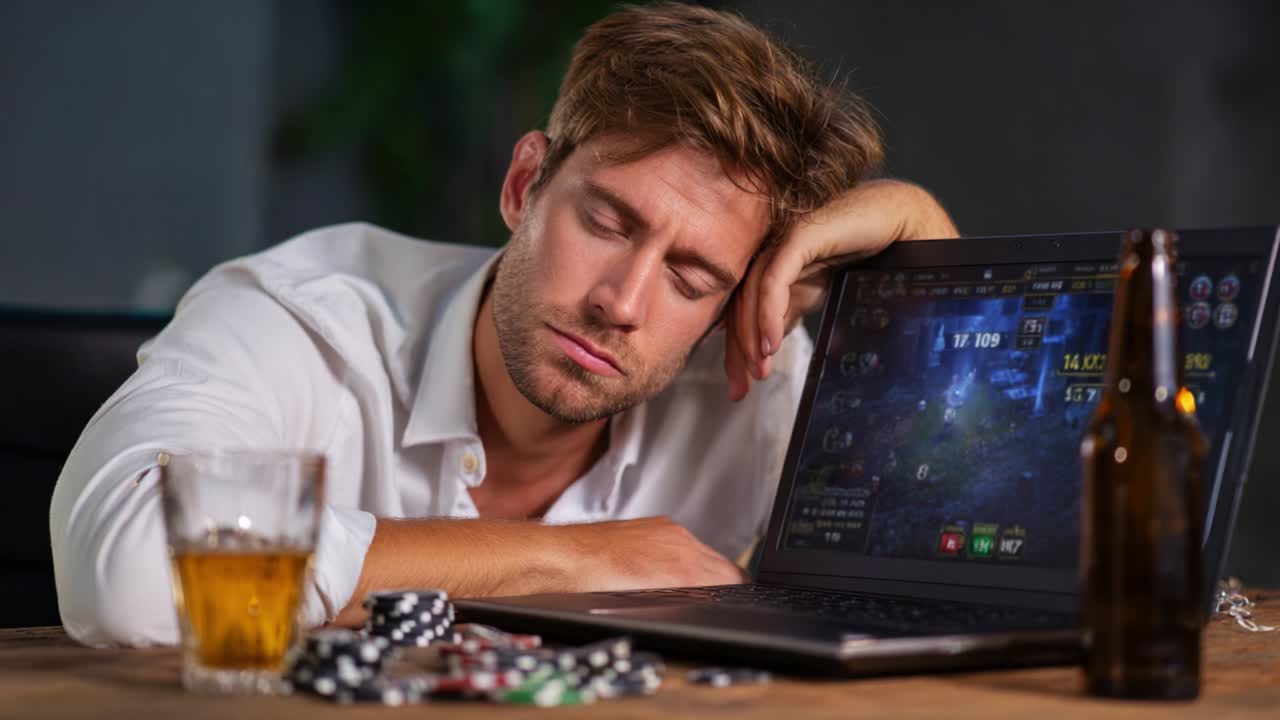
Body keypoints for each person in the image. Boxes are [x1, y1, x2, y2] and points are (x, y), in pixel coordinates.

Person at [50, 2, 957, 646]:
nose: (623, 302)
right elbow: (128, 574)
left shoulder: (747, 386)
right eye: (606, 222)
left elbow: (965, 554)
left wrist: (927, 258)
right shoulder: (298, 318)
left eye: (691, 276)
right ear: (526, 185)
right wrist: (569, 563)